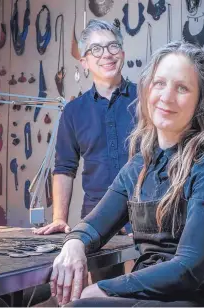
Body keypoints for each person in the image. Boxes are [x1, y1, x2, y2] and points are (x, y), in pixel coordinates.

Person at [49, 41, 204, 307]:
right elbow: (93, 225)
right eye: (159, 83)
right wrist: (74, 245)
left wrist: (104, 288)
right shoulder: (138, 168)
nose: (166, 96)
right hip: (158, 295)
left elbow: (188, 269)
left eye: (182, 88)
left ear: (200, 102)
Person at [34, 19, 136, 236]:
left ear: (122, 54)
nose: (106, 54)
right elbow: (64, 168)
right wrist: (59, 219)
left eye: (113, 46)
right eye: (96, 49)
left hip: (145, 217)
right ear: (84, 62)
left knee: (140, 271)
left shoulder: (147, 99)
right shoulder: (72, 111)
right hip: (95, 220)